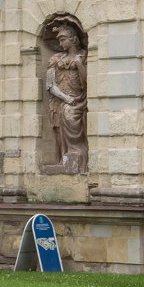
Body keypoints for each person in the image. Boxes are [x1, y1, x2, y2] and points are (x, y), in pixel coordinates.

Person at [45, 20, 88, 173]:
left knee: (71, 117)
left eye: (63, 40)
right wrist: (64, 97)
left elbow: (86, 83)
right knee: (58, 129)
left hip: (78, 99)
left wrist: (79, 65)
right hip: (60, 99)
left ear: (73, 39)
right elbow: (50, 85)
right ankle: (63, 158)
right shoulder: (57, 59)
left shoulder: (82, 57)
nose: (61, 43)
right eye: (59, 41)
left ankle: (76, 156)